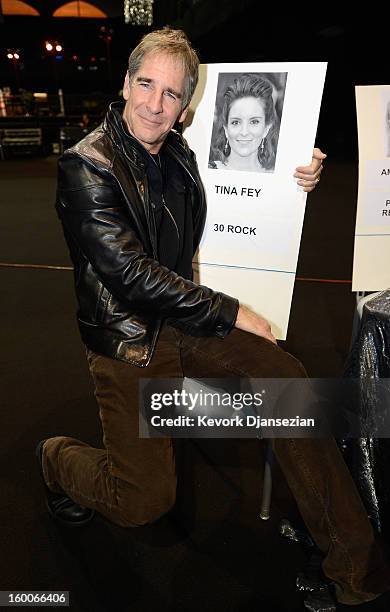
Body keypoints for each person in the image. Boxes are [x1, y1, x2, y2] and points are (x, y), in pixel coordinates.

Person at [36, 28, 390, 607]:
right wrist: (233, 311)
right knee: (143, 502)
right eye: (146, 84)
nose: (155, 102)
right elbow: (129, 274)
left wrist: (300, 170)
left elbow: (250, 175)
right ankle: (55, 458)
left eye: (171, 93)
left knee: (290, 385)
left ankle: (355, 568)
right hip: (130, 339)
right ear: (125, 84)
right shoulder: (87, 165)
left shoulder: (178, 150)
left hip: (183, 321)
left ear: (184, 106)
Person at [209, 73, 280, 172]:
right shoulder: (205, 172)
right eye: (236, 122)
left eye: (254, 122)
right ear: (226, 128)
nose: (244, 132)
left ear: (266, 128)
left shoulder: (279, 177)